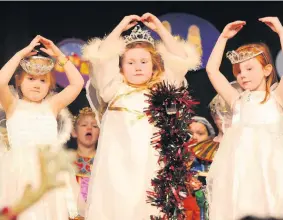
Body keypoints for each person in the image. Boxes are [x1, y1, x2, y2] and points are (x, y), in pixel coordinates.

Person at [82, 13, 201, 220]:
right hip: (116, 167)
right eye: (130, 63)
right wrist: (120, 28)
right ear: (120, 67)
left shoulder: (163, 89)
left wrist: (160, 29)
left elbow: (182, 60)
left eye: (144, 62)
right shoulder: (113, 88)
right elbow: (100, 57)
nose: (137, 67)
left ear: (154, 65)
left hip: (150, 167)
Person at [206, 17, 283, 220]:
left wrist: (281, 32)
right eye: (238, 71)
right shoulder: (237, 100)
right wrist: (223, 37)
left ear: (267, 70)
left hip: (271, 169)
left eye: (249, 69)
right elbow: (212, 70)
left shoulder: (276, 97)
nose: (242, 75)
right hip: (241, 170)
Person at [0, 35, 84, 220]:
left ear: (50, 86)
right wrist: (20, 54)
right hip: (18, 172)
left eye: (43, 81)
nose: (37, 85)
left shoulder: (52, 106)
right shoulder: (12, 106)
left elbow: (78, 83)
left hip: (47, 170)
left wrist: (59, 55)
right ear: (19, 81)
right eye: (31, 79)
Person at [71, 107, 99, 218]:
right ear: (74, 132)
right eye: (84, 125)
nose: (89, 128)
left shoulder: (103, 162)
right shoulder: (66, 161)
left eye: (95, 126)